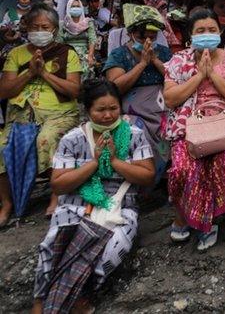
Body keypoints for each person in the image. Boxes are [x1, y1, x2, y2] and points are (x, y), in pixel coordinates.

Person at [31, 79, 155, 314]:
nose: (108, 115)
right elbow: (58, 184)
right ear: (88, 111)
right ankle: (41, 302)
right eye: (101, 110)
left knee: (112, 249)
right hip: (75, 201)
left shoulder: (134, 134)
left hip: (119, 206)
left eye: (113, 108)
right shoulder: (73, 139)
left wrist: (116, 161)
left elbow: (147, 175)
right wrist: (95, 162)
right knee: (54, 243)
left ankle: (80, 295)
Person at [163, 9, 225, 250]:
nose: (207, 34)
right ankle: (189, 216)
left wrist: (213, 76)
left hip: (224, 128)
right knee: (182, 168)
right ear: (191, 35)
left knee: (221, 162)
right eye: (200, 31)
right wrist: (199, 76)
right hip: (189, 127)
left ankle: (206, 223)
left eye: (211, 30)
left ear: (220, 32)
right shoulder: (178, 61)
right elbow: (170, 98)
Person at [0, 6, 81, 223]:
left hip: (58, 113)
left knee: (47, 138)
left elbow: (74, 90)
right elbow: (5, 90)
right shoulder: (16, 54)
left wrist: (44, 73)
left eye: (45, 27)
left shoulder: (67, 53)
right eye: (34, 27)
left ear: (54, 29)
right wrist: (29, 73)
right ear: (26, 28)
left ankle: (56, 194)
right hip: (21, 113)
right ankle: (7, 203)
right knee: (0, 145)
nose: (39, 31)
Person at [103, 5, 173, 162]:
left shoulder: (163, 52)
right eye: (142, 38)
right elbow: (115, 87)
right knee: (135, 132)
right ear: (130, 34)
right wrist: (142, 64)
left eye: (152, 37)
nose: (148, 41)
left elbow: (175, 77)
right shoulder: (119, 54)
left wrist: (154, 60)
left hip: (163, 105)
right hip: (134, 109)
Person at [58, 0, 96, 79]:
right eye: (73, 6)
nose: (75, 8)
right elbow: (60, 42)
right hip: (68, 53)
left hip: (84, 54)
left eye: (78, 6)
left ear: (82, 8)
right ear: (68, 8)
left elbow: (92, 39)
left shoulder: (88, 22)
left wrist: (90, 55)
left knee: (86, 71)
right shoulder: (63, 24)